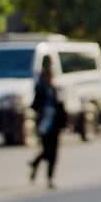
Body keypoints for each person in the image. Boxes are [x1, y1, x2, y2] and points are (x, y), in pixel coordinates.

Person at [29, 56, 66, 189]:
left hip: (55, 124)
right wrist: (43, 109)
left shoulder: (55, 89)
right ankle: (35, 164)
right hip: (44, 124)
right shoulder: (40, 89)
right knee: (46, 150)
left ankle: (49, 178)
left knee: (53, 153)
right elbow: (33, 105)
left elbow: (61, 106)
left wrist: (64, 122)